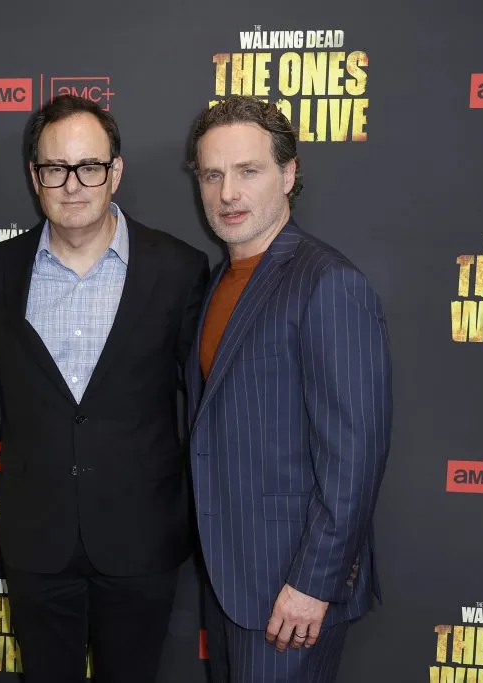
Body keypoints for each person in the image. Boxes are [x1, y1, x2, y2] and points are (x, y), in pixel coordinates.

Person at [0, 95, 210, 683]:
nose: (73, 185)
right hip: (35, 541)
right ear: (35, 177)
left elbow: (208, 401)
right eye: (55, 169)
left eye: (89, 167)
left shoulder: (178, 269)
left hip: (141, 538)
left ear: (115, 172)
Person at [185, 95, 392, 682]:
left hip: (292, 594)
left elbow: (354, 458)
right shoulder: (217, 282)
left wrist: (312, 584)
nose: (227, 193)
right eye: (213, 174)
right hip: (230, 583)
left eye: (248, 171)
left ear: (289, 174)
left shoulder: (329, 284)